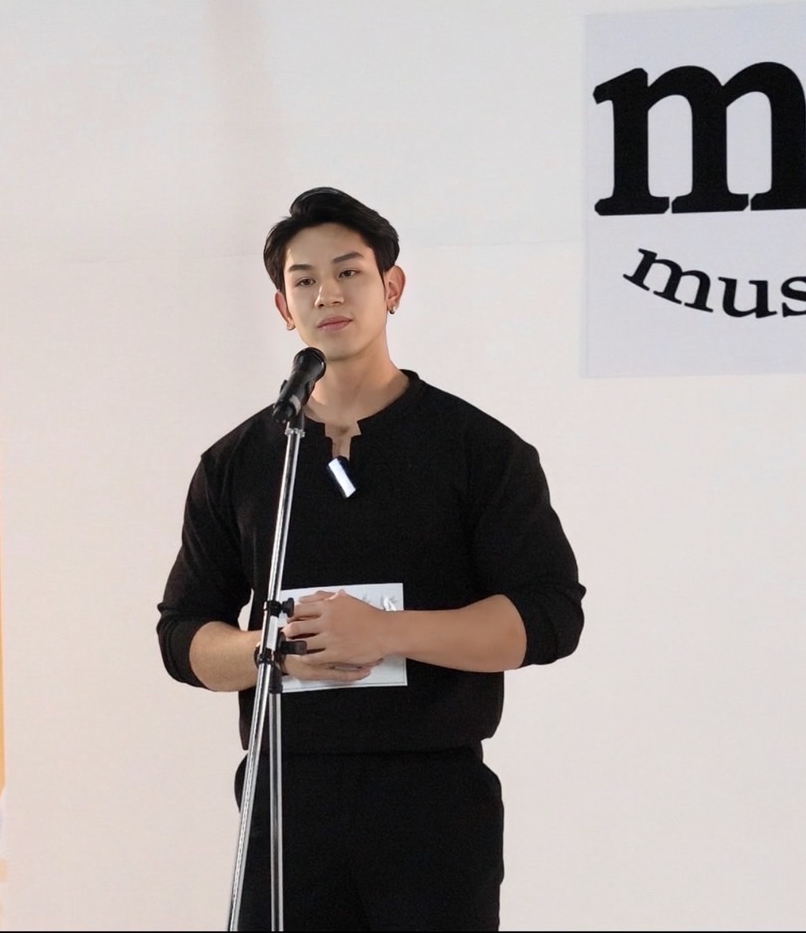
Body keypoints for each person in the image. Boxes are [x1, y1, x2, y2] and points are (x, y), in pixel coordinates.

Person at [156, 187, 585, 931]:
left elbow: (549, 617)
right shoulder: (240, 463)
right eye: (304, 281)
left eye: (349, 272)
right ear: (284, 308)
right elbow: (181, 635)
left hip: (432, 797)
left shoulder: (479, 450)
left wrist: (386, 632)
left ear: (392, 287)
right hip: (285, 797)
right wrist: (273, 650)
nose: (327, 293)